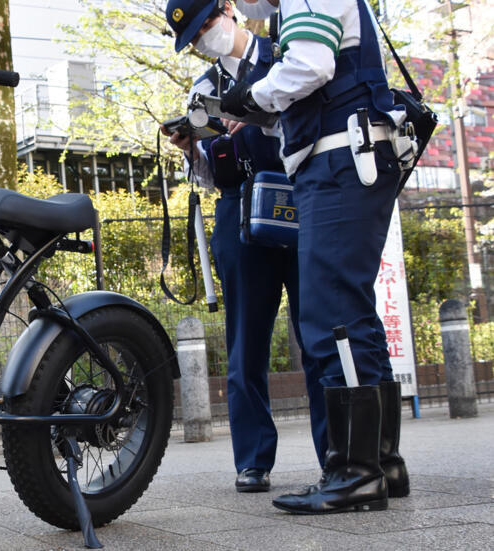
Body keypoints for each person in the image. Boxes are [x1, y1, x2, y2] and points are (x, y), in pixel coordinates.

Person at [221, 0, 410, 513]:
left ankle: (355, 472)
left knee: (331, 315)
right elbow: (319, 80)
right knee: (355, 313)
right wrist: (262, 115)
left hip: (339, 162)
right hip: (352, 155)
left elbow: (310, 65)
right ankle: (381, 462)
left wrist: (249, 95)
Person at [163, 0, 327, 493]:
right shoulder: (204, 88)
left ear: (230, 10)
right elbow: (212, 176)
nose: (203, 40)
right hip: (239, 213)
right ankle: (253, 459)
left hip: (299, 201)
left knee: (316, 334)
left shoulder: (289, 54)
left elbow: (314, 122)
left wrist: (260, 118)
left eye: (206, 25)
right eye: (193, 38)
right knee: (245, 343)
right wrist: (192, 148)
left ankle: (336, 455)